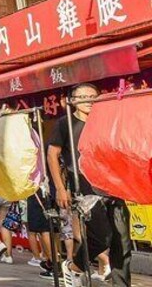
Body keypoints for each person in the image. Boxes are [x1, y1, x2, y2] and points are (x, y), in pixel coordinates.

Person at [48, 83, 131, 287]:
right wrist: (60, 188)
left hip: (113, 185)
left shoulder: (105, 121)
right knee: (102, 236)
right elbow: (52, 154)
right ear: (73, 100)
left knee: (122, 242)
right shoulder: (64, 123)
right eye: (83, 96)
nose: (89, 100)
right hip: (85, 188)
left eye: (93, 96)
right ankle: (75, 265)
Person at [25, 186, 56, 279]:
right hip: (46, 192)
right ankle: (51, 262)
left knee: (44, 230)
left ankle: (55, 265)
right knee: (46, 229)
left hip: (39, 192)